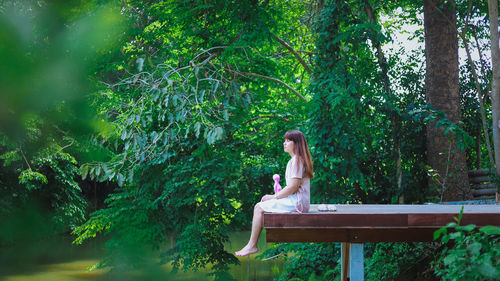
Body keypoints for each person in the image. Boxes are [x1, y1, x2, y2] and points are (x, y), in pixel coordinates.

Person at [235, 130, 314, 256]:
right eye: (285, 140)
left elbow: (293, 187)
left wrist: (274, 197)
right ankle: (252, 244)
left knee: (259, 207)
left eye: (288, 141)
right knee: (263, 203)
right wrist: (275, 198)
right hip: (299, 202)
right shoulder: (296, 160)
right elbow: (293, 187)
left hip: (297, 204)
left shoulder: (296, 161)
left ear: (297, 144)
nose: (284, 143)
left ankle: (252, 245)